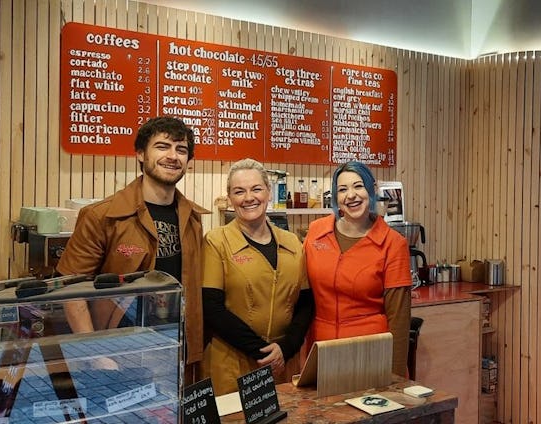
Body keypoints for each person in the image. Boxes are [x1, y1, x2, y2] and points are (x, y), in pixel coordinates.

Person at [56, 116, 209, 383]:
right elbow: (71, 290)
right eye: (162, 147)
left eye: (181, 150)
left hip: (177, 350)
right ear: (140, 154)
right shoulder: (102, 216)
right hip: (118, 353)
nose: (173, 156)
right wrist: (95, 354)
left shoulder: (193, 218)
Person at [200, 158, 314, 395]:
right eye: (239, 191)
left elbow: (305, 301)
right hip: (232, 364)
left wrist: (286, 347)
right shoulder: (216, 241)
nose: (248, 197)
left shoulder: (292, 242)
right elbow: (211, 308)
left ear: (269, 192)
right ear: (230, 198)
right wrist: (264, 352)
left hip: (283, 363)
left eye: (256, 189)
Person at [303, 161, 412, 377]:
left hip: (369, 354)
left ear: (371, 190)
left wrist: (396, 377)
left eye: (358, 186)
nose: (351, 195)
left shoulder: (393, 244)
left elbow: (399, 319)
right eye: (342, 189)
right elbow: (301, 292)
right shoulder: (316, 232)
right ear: (336, 197)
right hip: (321, 351)